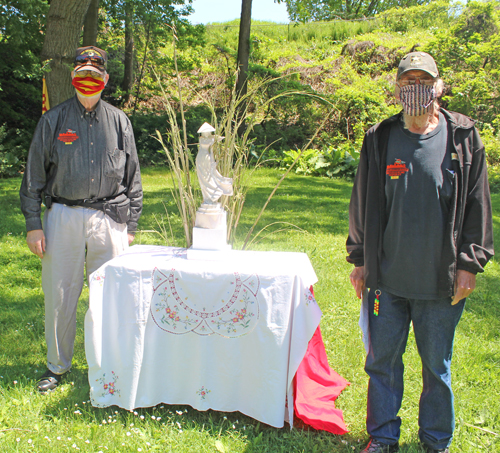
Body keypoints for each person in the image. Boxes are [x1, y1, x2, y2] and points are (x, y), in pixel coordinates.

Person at [346, 52, 494, 453]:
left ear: (439, 87)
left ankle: (435, 441)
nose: (416, 89)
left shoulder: (463, 136)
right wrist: (360, 260)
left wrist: (470, 265)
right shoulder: (380, 137)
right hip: (387, 280)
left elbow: (479, 204)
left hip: (439, 282)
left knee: (436, 368)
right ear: (397, 88)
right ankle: (382, 439)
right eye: (408, 80)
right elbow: (362, 201)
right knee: (382, 365)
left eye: (424, 81)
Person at [20, 46, 143, 392]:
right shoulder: (53, 120)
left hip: (110, 219)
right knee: (60, 295)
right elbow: (33, 177)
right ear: (74, 75)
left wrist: (130, 226)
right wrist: (33, 224)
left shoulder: (119, 121)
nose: (88, 73)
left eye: (95, 68)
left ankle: (111, 367)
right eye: (82, 67)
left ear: (104, 78)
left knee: (113, 297)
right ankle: (57, 366)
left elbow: (133, 176)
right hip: (63, 217)